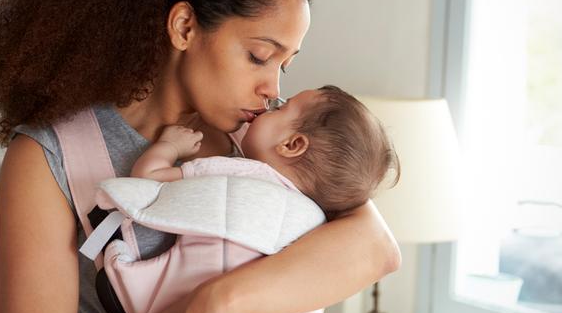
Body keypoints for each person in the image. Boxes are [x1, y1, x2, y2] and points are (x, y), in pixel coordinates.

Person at [0, 0, 401, 313]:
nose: (272, 89)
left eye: (282, 65)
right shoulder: (48, 158)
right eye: (259, 56)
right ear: (184, 26)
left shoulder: (263, 139)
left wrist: (215, 305)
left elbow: (375, 248)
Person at [133, 86, 400, 221]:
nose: (272, 98)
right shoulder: (307, 213)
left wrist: (170, 145)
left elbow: (147, 178)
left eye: (281, 109)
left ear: (292, 145)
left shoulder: (242, 176)